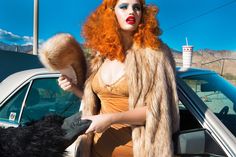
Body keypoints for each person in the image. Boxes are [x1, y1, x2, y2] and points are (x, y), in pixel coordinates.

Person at [58, 0, 179, 156]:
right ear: (110, 13)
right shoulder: (101, 57)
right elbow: (96, 103)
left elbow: (158, 111)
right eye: (124, 6)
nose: (131, 12)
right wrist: (73, 88)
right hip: (95, 150)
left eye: (137, 7)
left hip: (136, 150)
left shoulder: (155, 54)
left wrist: (111, 119)